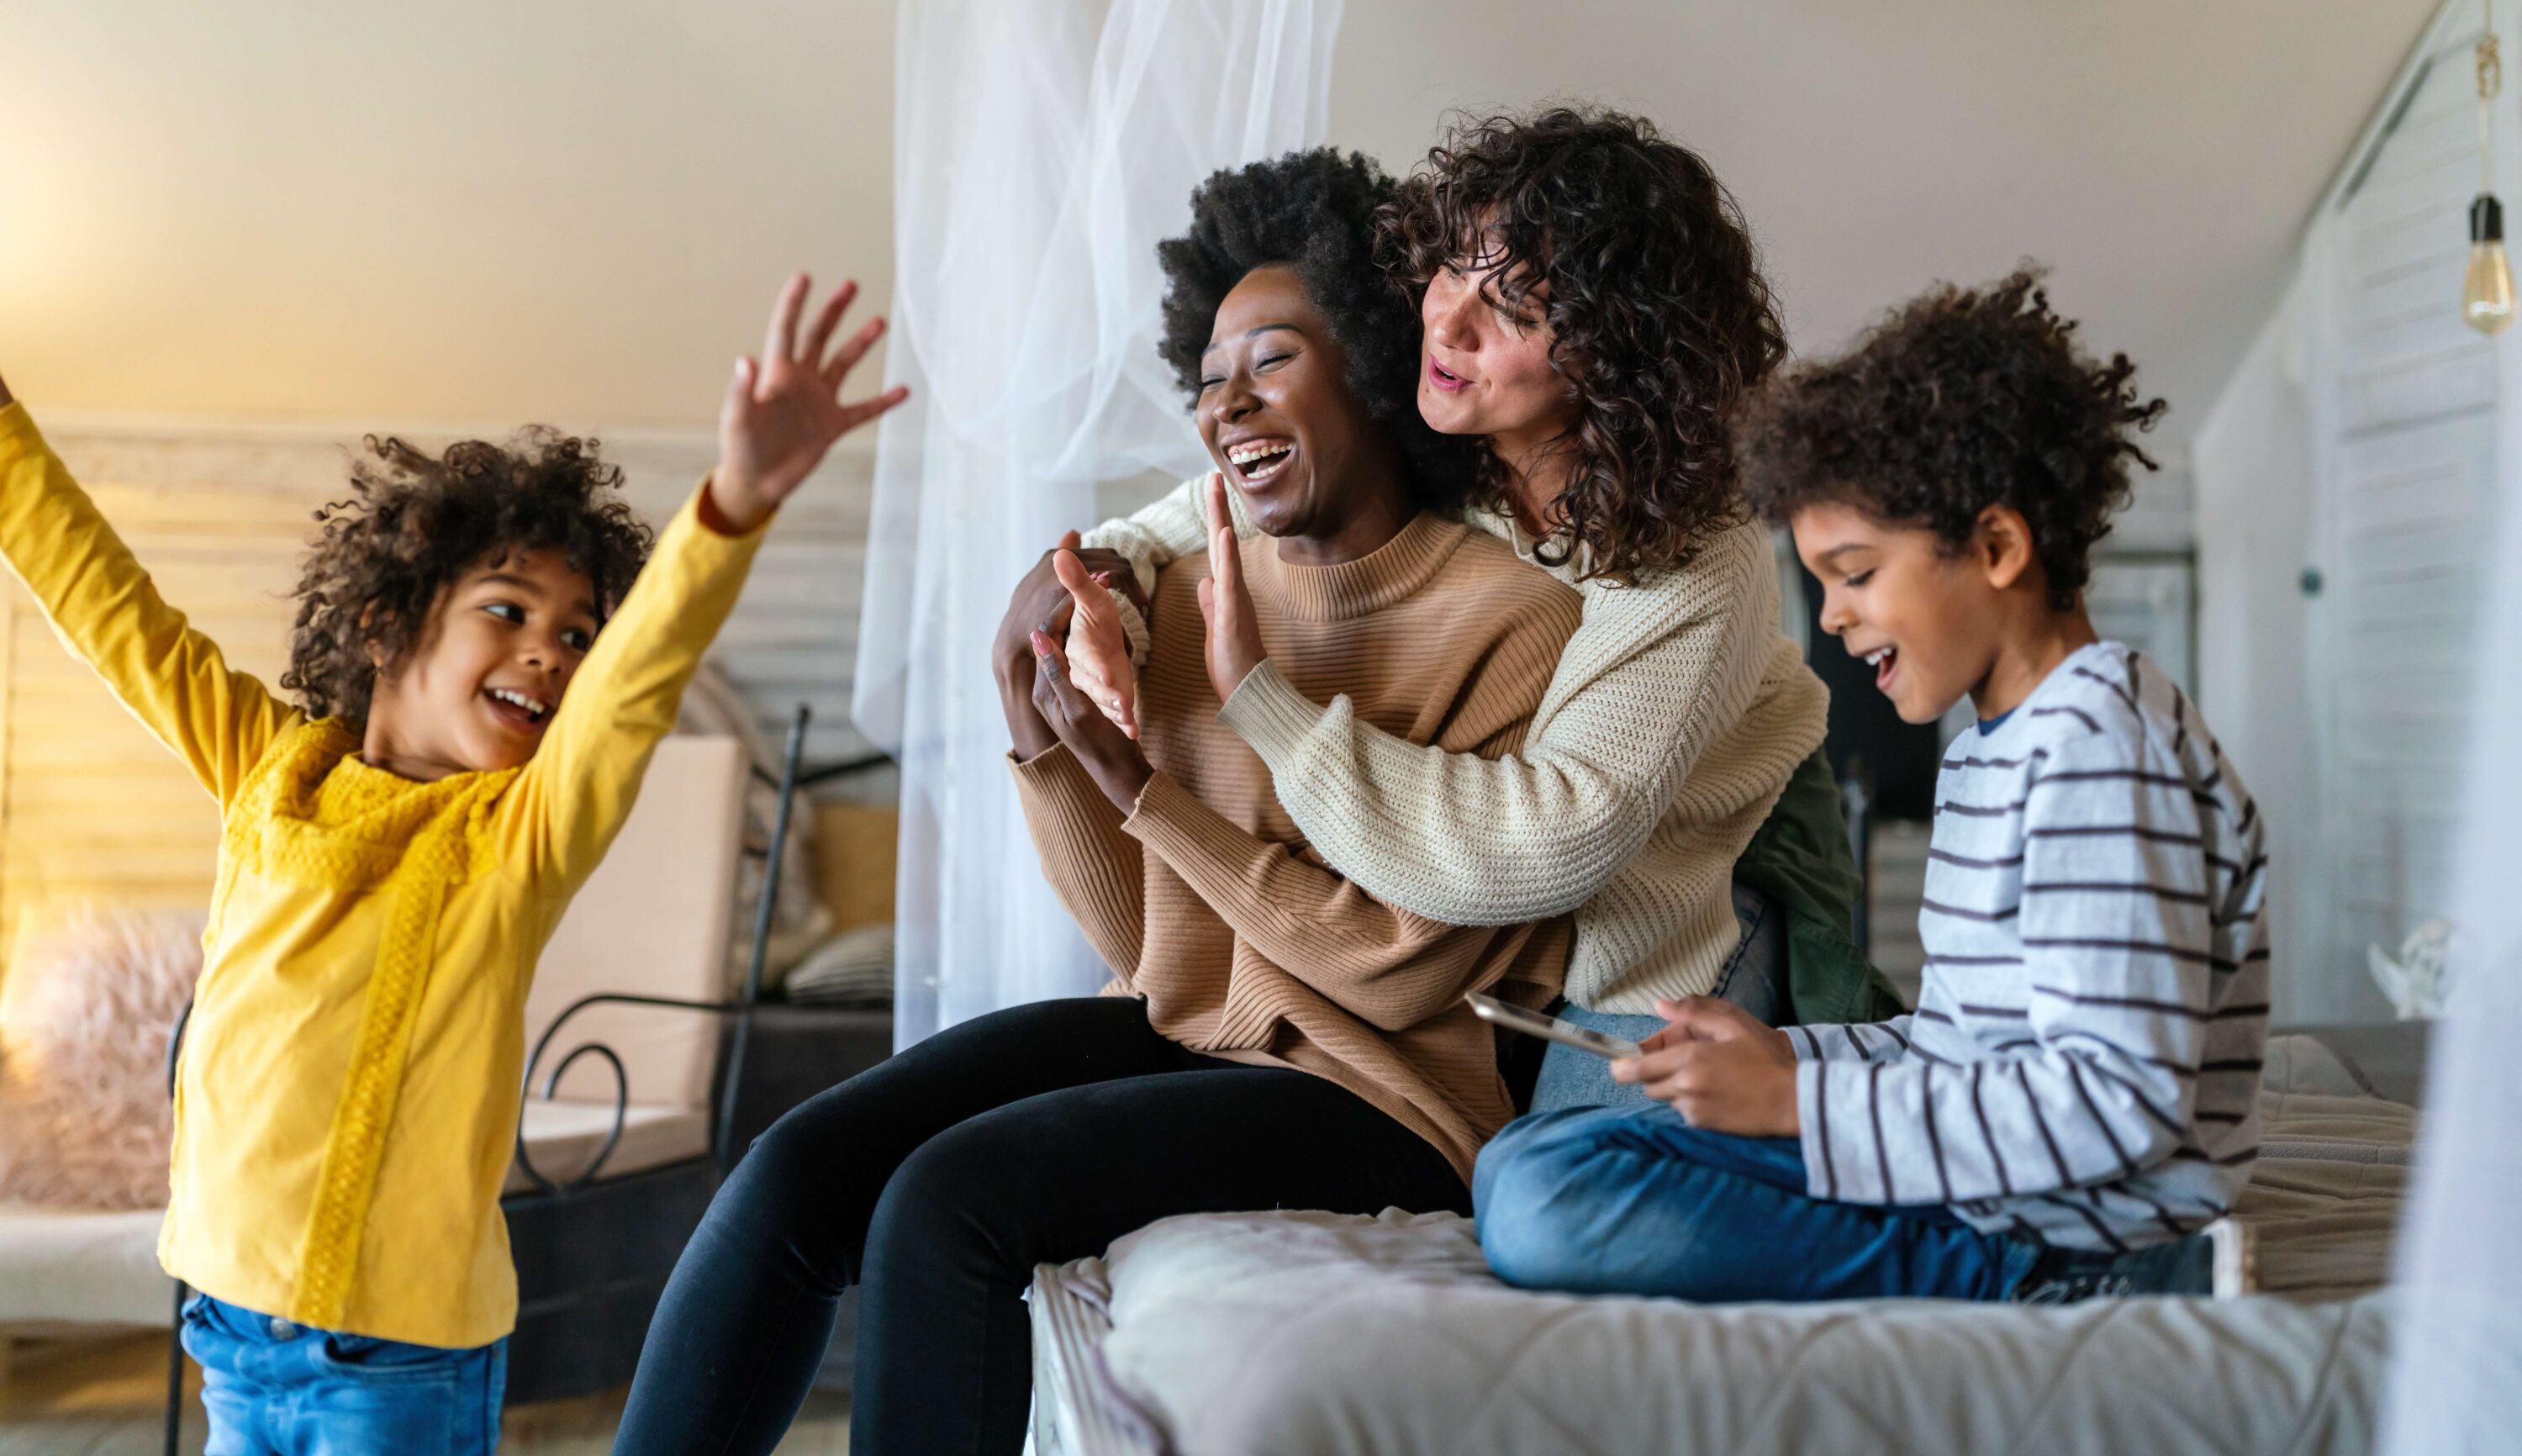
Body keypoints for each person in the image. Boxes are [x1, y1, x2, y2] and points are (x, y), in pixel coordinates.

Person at [612, 149, 1583, 1456]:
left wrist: (1140, 789)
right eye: (1210, 378)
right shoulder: (1180, 596)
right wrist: (1039, 737)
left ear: (1372, 359)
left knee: (948, 1204)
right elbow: (1151, 953)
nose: (1226, 406)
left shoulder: (1512, 622)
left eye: (1272, 360)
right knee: (796, 1174)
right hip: (1200, 1038)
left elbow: (1405, 976)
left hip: (1390, 1097)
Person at [0, 276, 902, 1451]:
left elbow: (634, 694)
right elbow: (106, 602)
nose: (551, 652)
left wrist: (731, 502)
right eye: (510, 610)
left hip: (398, 1368)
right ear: (386, 625)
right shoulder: (268, 770)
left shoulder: (516, 840)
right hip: (228, 1330)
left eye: (576, 632)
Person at [1047, 106, 1897, 1112]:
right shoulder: (1447, 414)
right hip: (1523, 889)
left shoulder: (1694, 557)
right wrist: (1102, 596)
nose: (1446, 325)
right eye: (1454, 270)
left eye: (1516, 310)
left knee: (1560, 1204)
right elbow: (1202, 508)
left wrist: (1261, 703)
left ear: (1615, 358)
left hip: (1691, 866)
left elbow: (1554, 843)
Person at [1473, 269, 2271, 1305]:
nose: (1837, 620)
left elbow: (2118, 1104)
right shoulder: (2003, 739)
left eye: (1856, 574)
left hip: (2065, 1228)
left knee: (1548, 1197)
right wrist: (1789, 1055)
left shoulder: (2100, 750)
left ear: (1996, 547)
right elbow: (1964, 1045)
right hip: (1982, 1179)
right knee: (1535, 1156)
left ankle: (2063, 1284)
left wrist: (1800, 1105)